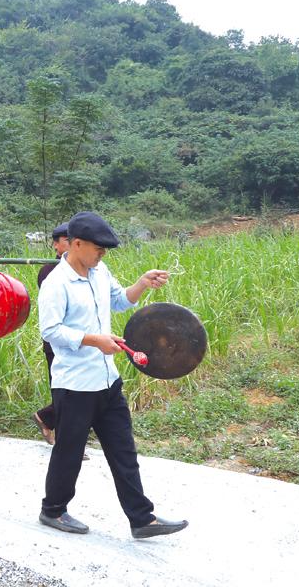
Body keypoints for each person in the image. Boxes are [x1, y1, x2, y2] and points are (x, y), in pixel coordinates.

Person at [38, 211, 187, 539]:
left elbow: (120, 301)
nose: (102, 254)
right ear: (76, 244)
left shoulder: (99, 270)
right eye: (97, 249)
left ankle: (141, 519)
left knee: (123, 451)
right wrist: (94, 340)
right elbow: (51, 331)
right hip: (75, 384)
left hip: (107, 379)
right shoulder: (56, 284)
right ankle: (53, 510)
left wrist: (142, 283)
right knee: (70, 453)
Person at [32, 222, 70, 446]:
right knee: (63, 390)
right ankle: (65, 438)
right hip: (57, 340)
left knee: (78, 392)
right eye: (66, 240)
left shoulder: (87, 270)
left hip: (83, 342)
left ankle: (46, 418)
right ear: (55, 245)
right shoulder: (49, 271)